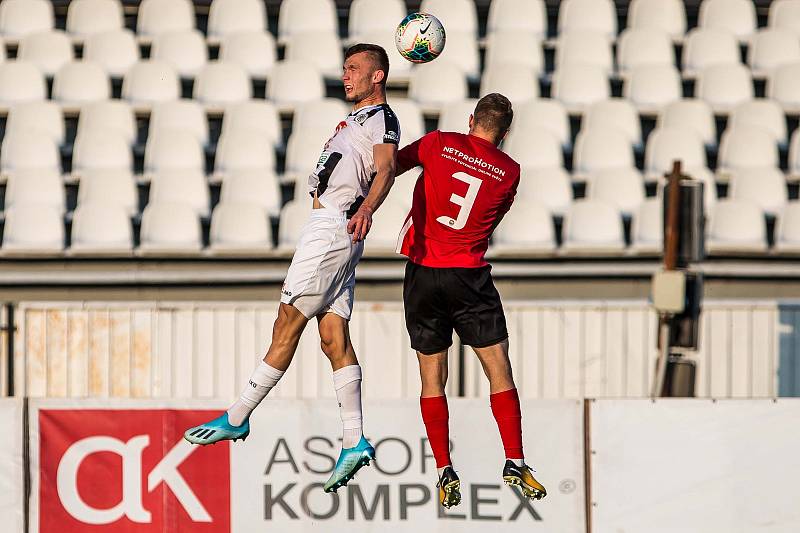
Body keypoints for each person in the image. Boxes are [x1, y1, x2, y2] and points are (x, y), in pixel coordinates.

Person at [184, 43, 400, 494]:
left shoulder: (381, 119)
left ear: (377, 76)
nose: (347, 76)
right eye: (344, 68)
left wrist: (368, 210)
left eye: (355, 69)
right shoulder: (359, 119)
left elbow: (386, 168)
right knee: (332, 337)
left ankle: (238, 416)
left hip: (333, 228)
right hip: (336, 230)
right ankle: (354, 439)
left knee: (288, 321)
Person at [394, 93, 546, 508]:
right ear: (506, 132)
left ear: (471, 120)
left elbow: (392, 165)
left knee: (431, 377)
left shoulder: (439, 142)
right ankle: (514, 460)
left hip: (423, 270)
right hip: (468, 274)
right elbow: (491, 219)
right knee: (498, 369)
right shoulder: (509, 171)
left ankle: (444, 468)